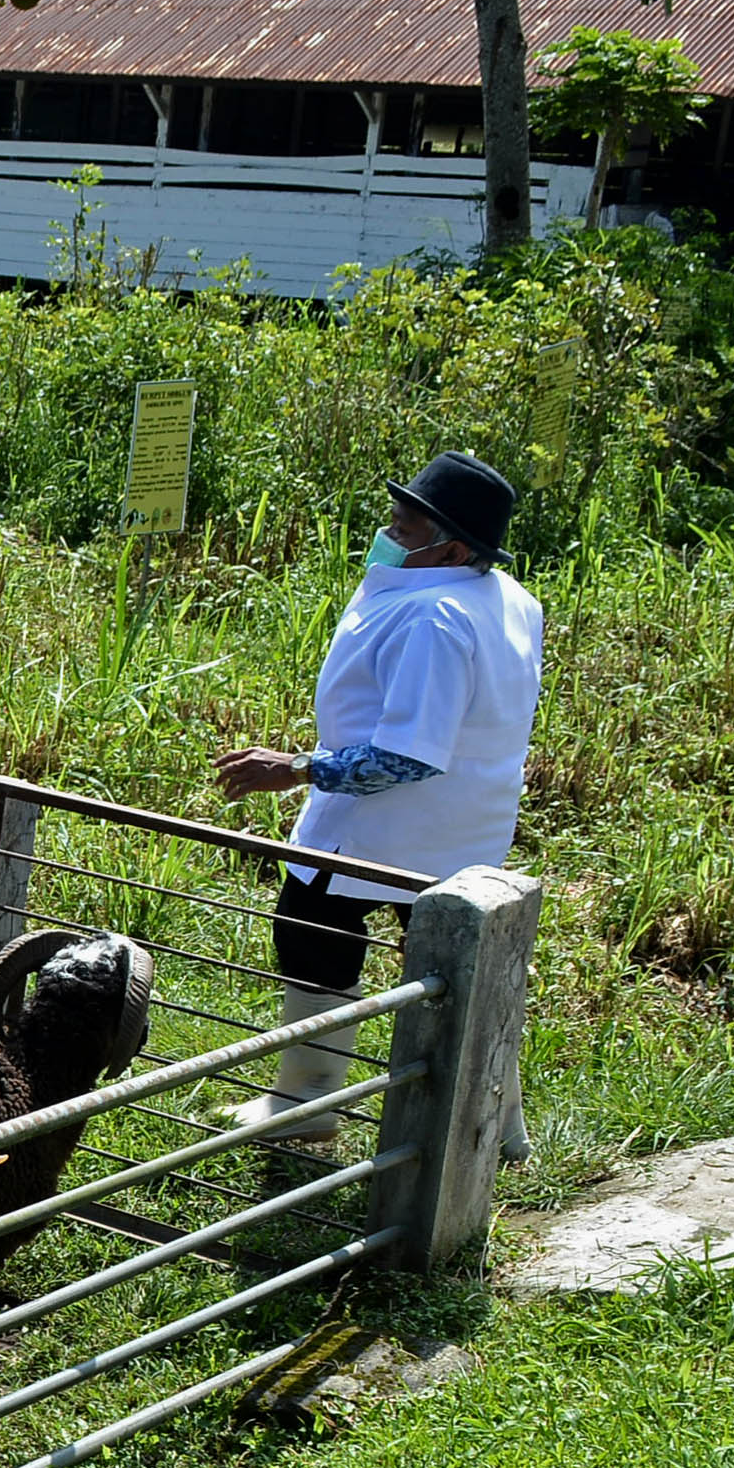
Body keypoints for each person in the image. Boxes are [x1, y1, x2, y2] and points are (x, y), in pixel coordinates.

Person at [209, 452, 541, 1152]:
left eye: (404, 524)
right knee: (470, 967)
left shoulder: (435, 617)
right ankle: (498, 1119)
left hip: (381, 824)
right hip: (467, 822)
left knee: (311, 928)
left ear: (451, 546)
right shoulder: (506, 597)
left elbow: (408, 755)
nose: (388, 532)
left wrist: (298, 767)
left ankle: (308, 1099)